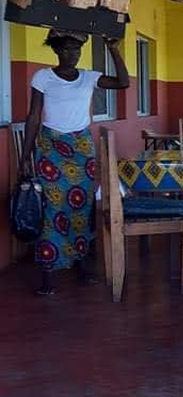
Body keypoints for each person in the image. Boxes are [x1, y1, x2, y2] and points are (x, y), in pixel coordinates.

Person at [21, 31, 129, 295]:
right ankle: (48, 273)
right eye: (68, 49)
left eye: (77, 49)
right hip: (50, 147)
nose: (73, 54)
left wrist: (114, 49)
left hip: (81, 148)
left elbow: (123, 82)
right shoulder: (43, 77)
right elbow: (34, 116)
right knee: (53, 207)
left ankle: (81, 264)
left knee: (82, 205)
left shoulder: (89, 77)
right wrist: (25, 156)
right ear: (57, 51)